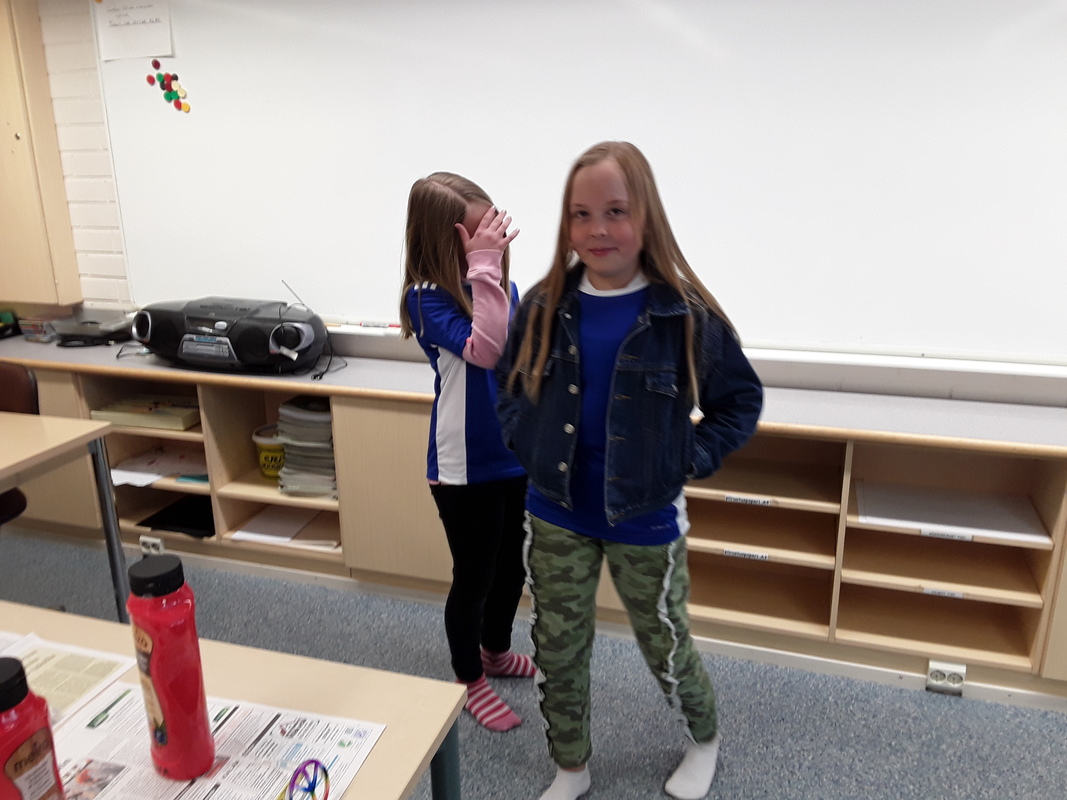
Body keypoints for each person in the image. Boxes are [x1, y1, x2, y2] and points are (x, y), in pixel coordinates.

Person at [497, 142, 763, 799]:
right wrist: (526, 444)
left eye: (615, 211)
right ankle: (571, 767)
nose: (597, 229)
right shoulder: (545, 304)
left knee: (664, 645)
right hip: (557, 512)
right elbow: (509, 384)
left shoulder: (685, 315)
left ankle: (703, 739)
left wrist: (684, 460)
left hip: (645, 518)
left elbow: (738, 401)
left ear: (646, 216)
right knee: (557, 650)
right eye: (581, 213)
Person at [400, 172, 534, 733]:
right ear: (446, 240)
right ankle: (468, 678)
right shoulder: (427, 300)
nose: (493, 243)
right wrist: (485, 272)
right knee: (475, 575)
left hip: (512, 457)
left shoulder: (502, 290)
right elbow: (486, 349)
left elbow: (517, 359)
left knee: (512, 568)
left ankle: (494, 651)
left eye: (493, 232)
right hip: (463, 467)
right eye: (478, 236)